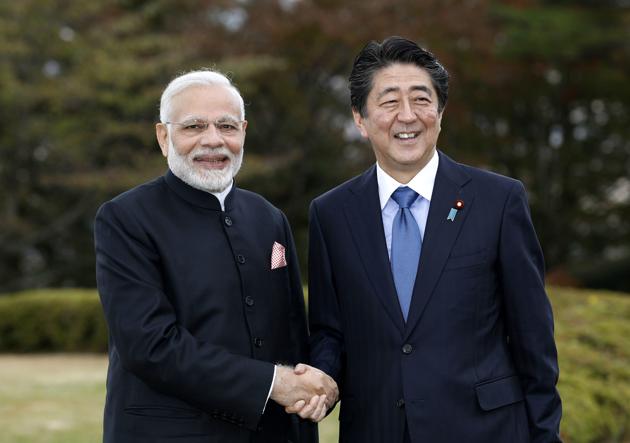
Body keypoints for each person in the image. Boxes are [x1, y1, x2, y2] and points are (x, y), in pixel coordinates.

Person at [305, 36, 562, 442]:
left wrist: (545, 435)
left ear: (440, 113)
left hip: (486, 430)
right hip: (376, 429)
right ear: (360, 118)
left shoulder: (498, 200)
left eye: (421, 100)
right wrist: (320, 379)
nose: (407, 116)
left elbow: (533, 337)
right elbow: (329, 330)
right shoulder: (332, 213)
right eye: (389, 101)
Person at [94, 69, 337, 443]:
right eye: (194, 127)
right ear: (164, 136)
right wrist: (272, 383)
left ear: (243, 131)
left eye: (226, 126)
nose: (213, 141)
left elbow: (291, 332)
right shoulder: (125, 218)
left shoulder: (270, 218)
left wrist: (314, 388)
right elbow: (149, 345)